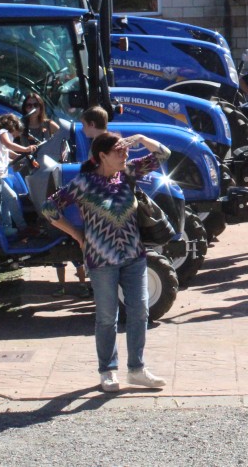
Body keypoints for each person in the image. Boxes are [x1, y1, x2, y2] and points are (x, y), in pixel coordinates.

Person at [42, 131, 171, 392]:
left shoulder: (128, 174)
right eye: (119, 151)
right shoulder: (84, 183)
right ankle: (108, 370)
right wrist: (77, 234)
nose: (125, 155)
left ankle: (137, 369)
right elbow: (49, 208)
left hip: (134, 256)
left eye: (125, 151)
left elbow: (164, 154)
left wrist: (139, 139)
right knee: (106, 317)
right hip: (101, 260)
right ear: (102, 156)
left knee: (139, 312)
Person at [0, 113, 37, 239]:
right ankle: (19, 228)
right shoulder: (2, 132)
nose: (14, 137)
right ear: (12, 127)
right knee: (11, 197)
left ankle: (7, 227)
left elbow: (7, 150)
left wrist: (21, 156)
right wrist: (26, 149)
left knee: (3, 201)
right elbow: (9, 145)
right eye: (15, 135)